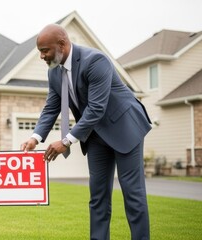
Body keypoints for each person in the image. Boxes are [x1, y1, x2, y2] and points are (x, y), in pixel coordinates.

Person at [21, 24, 151, 240]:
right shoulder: (54, 71)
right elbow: (52, 106)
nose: (42, 56)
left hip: (124, 128)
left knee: (133, 195)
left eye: (45, 50)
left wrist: (67, 140)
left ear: (62, 44)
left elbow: (96, 108)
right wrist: (35, 137)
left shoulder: (96, 61)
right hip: (95, 135)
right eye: (40, 51)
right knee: (98, 196)